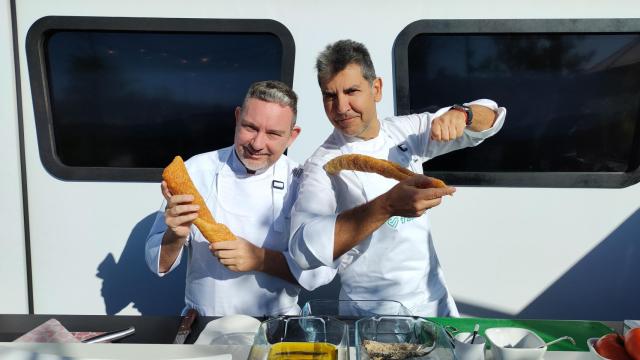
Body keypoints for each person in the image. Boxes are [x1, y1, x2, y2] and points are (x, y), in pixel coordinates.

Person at [288, 40, 506, 317]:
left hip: (432, 301)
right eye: (330, 95)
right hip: (368, 313)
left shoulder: (405, 131)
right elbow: (301, 249)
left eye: (351, 91)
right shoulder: (323, 164)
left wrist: (463, 113)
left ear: (376, 89)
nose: (341, 107)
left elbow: (490, 119)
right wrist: (386, 206)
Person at [145, 80, 334, 316]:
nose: (257, 143)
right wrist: (176, 235)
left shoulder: (304, 183)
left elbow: (322, 272)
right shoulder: (196, 172)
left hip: (278, 327)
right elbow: (157, 264)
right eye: (250, 127)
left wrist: (261, 259)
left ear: (292, 136)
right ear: (237, 118)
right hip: (205, 324)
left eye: (273, 134)